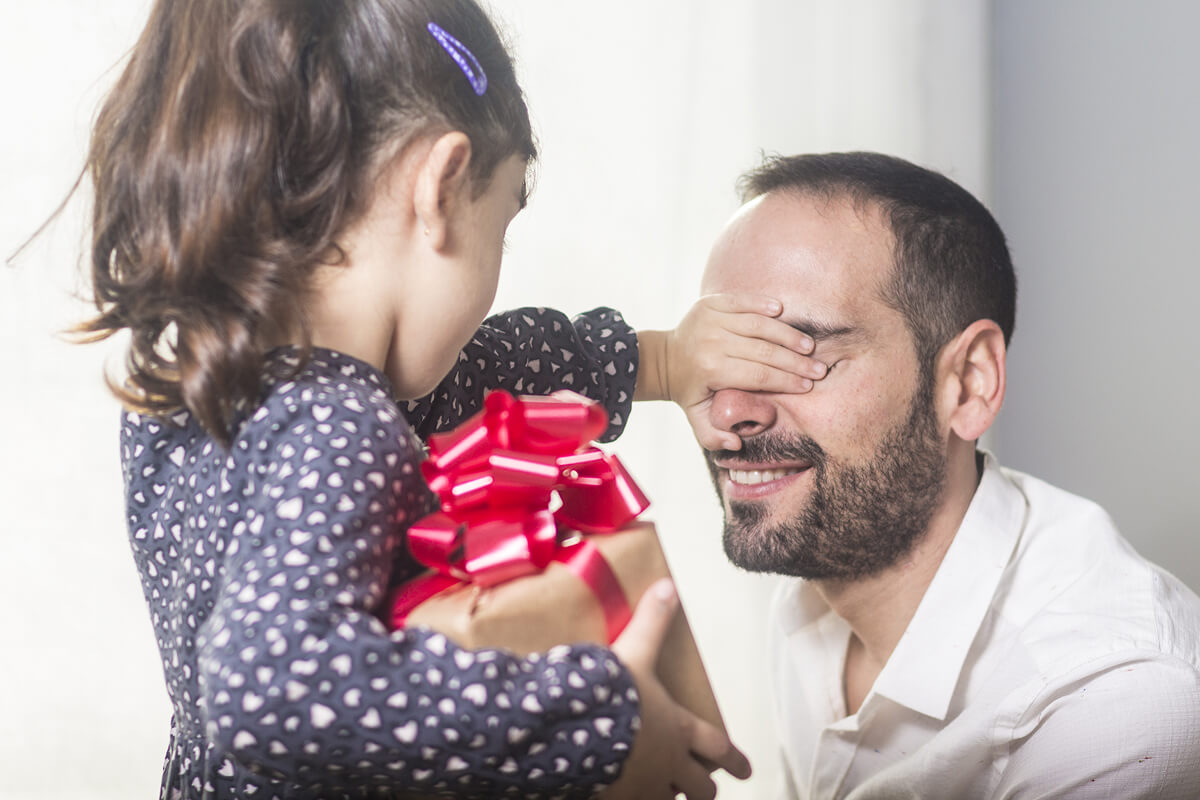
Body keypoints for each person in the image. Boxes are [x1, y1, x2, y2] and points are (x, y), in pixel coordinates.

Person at [74, 1, 831, 797]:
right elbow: (269, 694)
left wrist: (666, 360)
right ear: (437, 189)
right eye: (498, 229)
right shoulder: (339, 423)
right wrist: (597, 720)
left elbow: (488, 373)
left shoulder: (199, 380)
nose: (494, 268)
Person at [693, 151, 1200, 798]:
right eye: (717, 356)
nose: (727, 414)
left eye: (800, 353)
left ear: (968, 382)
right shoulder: (814, 578)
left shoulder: (1113, 703)